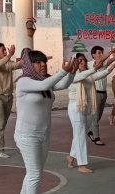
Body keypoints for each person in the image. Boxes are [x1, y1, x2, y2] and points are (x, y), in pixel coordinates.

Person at [14, 50, 76, 194]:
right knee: (35, 174)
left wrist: (71, 73)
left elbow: (61, 85)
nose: (43, 65)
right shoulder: (24, 81)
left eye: (44, 62)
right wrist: (62, 71)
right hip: (27, 136)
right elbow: (44, 85)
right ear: (29, 65)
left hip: (44, 134)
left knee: (34, 173)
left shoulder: (45, 81)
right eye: (38, 62)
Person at [66, 53, 115, 173]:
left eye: (84, 60)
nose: (83, 62)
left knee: (81, 134)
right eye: (79, 61)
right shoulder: (72, 75)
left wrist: (110, 69)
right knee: (80, 136)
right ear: (74, 63)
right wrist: (94, 68)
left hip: (87, 107)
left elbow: (97, 75)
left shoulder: (88, 76)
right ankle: (82, 164)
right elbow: (84, 75)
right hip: (76, 107)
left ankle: (71, 156)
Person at [87, 45, 115, 145]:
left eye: (102, 52)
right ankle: (96, 138)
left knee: (99, 116)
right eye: (99, 53)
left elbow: (113, 59)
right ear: (93, 55)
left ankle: (90, 131)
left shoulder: (104, 63)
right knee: (95, 115)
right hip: (95, 92)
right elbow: (101, 62)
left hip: (103, 93)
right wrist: (111, 52)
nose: (101, 54)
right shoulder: (90, 64)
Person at [0, 43, 21, 158]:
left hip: (8, 96)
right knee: (0, 124)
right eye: (3, 50)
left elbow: (17, 65)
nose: (6, 52)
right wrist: (10, 55)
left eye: (6, 51)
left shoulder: (7, 63)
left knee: (2, 123)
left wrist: (33, 59)